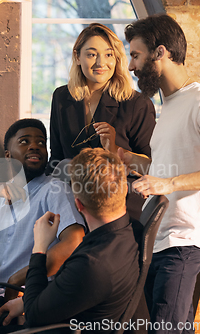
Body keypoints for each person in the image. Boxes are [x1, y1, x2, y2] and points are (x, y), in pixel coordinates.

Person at [122, 14, 200, 334]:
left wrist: (170, 183)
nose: (131, 66)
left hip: (183, 244)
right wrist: (124, 158)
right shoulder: (170, 106)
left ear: (160, 52)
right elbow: (164, 168)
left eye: (135, 55)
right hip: (157, 243)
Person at [0, 118, 86, 331]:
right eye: (24, 141)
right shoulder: (2, 194)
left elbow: (75, 241)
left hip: (27, 298)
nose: (34, 145)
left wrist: (19, 277)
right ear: (8, 156)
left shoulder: (54, 190)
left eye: (40, 142)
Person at [0, 148, 139, 334]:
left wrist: (40, 247)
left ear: (78, 204)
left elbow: (32, 317)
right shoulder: (131, 231)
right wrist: (24, 301)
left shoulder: (91, 263)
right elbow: (74, 290)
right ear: (125, 189)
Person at [47, 23, 156, 222]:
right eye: (91, 54)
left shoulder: (137, 104)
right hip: (73, 205)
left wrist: (115, 150)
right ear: (77, 57)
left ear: (116, 59)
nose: (100, 63)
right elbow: (56, 159)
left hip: (122, 205)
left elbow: (151, 167)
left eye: (108, 55)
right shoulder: (62, 97)